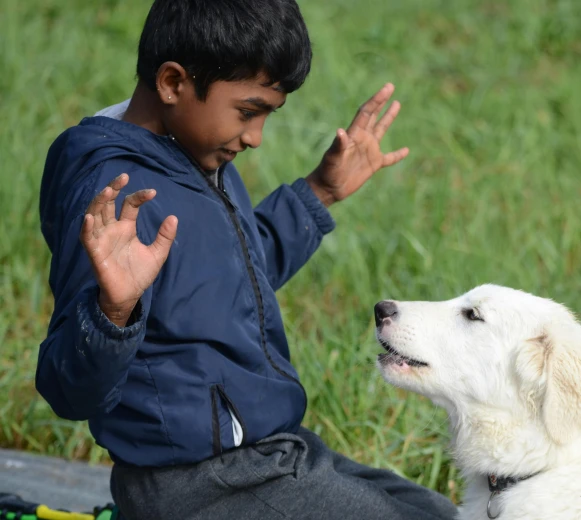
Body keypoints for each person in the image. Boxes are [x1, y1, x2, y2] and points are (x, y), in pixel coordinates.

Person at [36, 1, 457, 518]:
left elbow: (229, 278)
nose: (256, 137)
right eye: (248, 111)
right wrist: (112, 312)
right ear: (173, 83)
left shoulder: (193, 154)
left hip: (267, 452)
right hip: (193, 483)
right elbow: (68, 392)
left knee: (442, 512)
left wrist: (319, 193)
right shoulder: (118, 195)